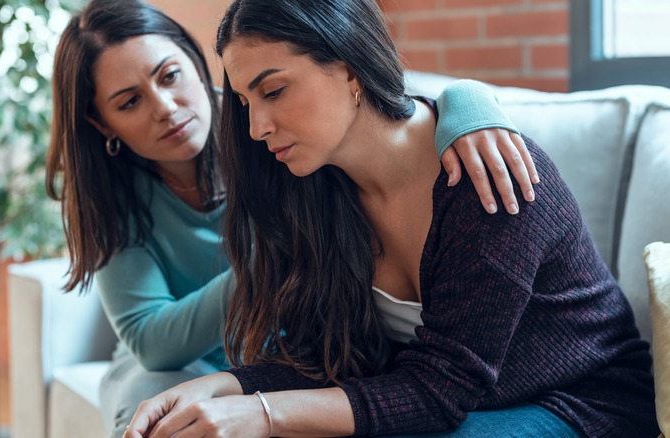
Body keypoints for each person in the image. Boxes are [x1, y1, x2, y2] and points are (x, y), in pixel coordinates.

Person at [122, 0, 660, 437]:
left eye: (274, 90)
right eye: (244, 101)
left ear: (350, 69)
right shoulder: (319, 191)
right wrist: (222, 388)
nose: (258, 125)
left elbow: (441, 389)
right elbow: (327, 364)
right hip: (461, 404)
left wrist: (262, 413)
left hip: (580, 404)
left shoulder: (484, 174)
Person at [45, 0, 538, 436]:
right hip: (212, 354)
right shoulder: (121, 192)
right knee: (149, 405)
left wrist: (471, 101)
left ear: (195, 65)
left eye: (170, 76)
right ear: (100, 122)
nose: (166, 109)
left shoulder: (282, 138)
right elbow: (153, 342)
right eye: (129, 101)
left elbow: (383, 102)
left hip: (287, 344)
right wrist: (276, 264)